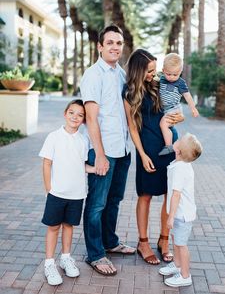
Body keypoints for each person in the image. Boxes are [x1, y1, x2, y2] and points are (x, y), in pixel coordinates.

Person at [80, 24, 135, 277]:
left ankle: (110, 242)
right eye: (110, 42)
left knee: (114, 200)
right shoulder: (94, 75)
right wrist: (99, 154)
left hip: (123, 149)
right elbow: (92, 119)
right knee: (96, 203)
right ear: (100, 46)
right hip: (103, 151)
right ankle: (95, 253)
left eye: (119, 43)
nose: (115, 47)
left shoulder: (121, 74)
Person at [123, 49, 184, 265]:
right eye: (149, 71)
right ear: (139, 70)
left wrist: (178, 117)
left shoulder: (161, 84)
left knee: (170, 195)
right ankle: (143, 242)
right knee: (146, 196)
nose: (153, 74)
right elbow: (132, 128)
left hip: (171, 147)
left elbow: (176, 108)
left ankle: (164, 240)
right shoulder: (129, 92)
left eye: (155, 70)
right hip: (148, 150)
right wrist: (142, 154)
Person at [39, 99, 95, 286]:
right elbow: (47, 163)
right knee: (53, 227)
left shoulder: (84, 140)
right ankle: (49, 263)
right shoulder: (54, 137)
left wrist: (95, 169)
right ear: (65, 113)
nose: (75, 117)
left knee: (69, 226)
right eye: (72, 112)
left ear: (84, 120)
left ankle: (65, 258)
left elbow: (82, 165)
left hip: (77, 194)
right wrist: (49, 189)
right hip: (57, 193)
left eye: (80, 115)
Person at [159, 133, 202, 287]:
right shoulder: (179, 164)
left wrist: (170, 217)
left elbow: (176, 194)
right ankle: (177, 265)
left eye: (178, 141)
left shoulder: (180, 169)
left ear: (179, 150)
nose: (175, 141)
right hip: (179, 213)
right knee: (176, 240)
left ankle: (185, 275)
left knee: (181, 244)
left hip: (181, 215)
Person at [158, 53, 199, 156]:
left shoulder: (180, 83)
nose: (171, 77)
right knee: (165, 124)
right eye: (168, 74)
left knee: (163, 124)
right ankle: (169, 145)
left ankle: (169, 146)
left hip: (174, 109)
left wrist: (193, 108)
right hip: (164, 109)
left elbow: (188, 96)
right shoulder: (161, 79)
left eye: (175, 75)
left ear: (180, 72)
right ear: (163, 70)